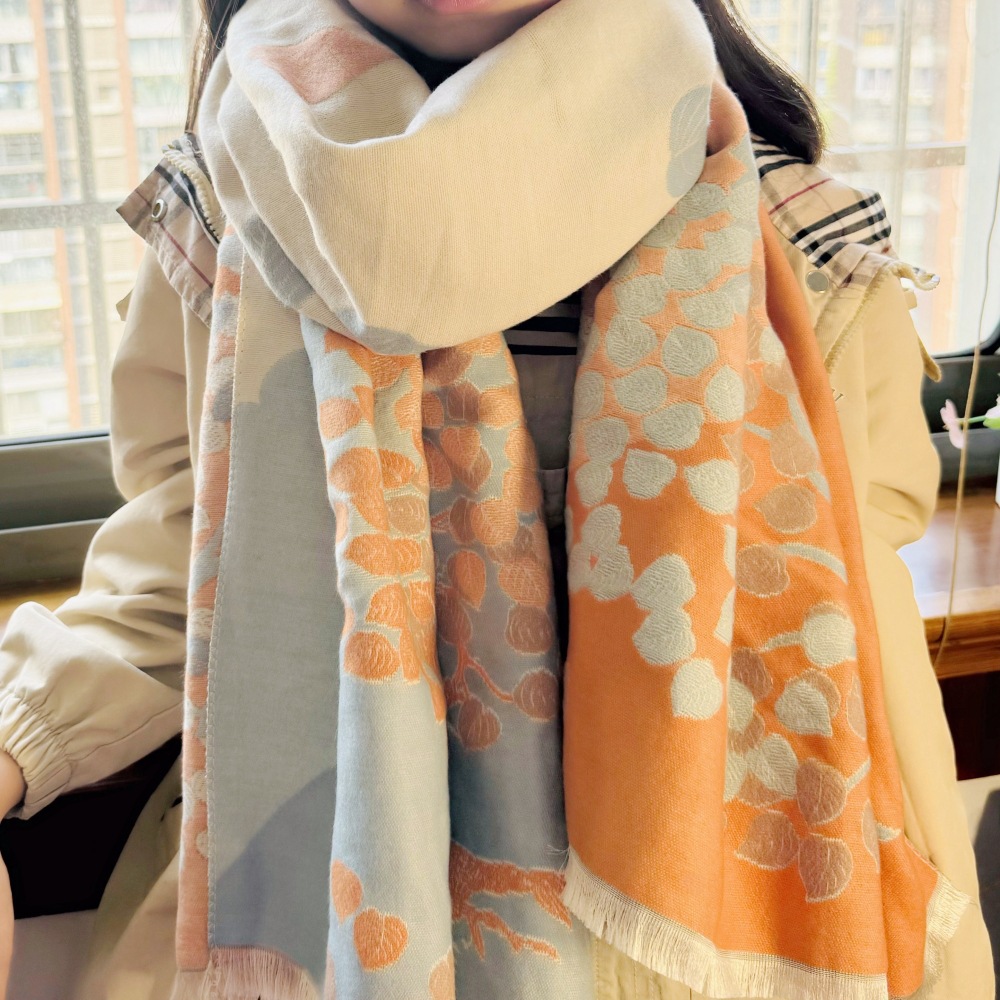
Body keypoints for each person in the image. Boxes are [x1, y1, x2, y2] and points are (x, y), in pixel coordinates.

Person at [0, 0, 992, 997]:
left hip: (710, 939)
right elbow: (182, 575)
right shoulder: (228, 211)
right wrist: (13, 742)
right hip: (334, 904)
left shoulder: (796, 236)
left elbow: (855, 605)